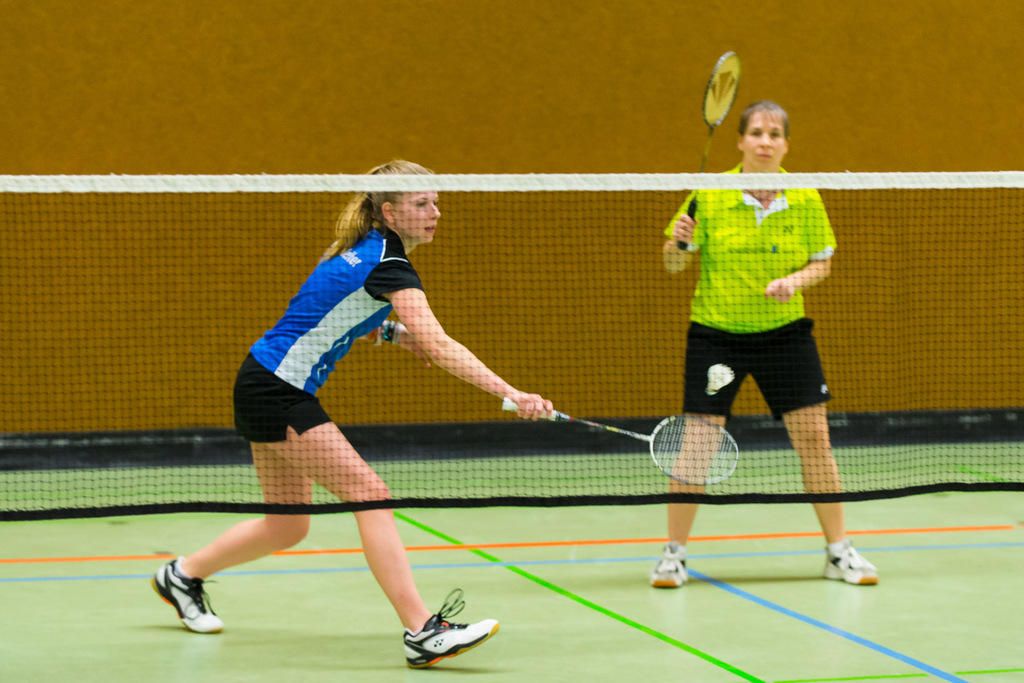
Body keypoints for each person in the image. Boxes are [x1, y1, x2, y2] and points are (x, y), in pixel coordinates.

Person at [151, 160, 554, 669]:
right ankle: (422, 632)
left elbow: (331, 309)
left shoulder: (356, 248)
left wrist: (391, 332)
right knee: (371, 494)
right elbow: (439, 344)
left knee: (287, 525)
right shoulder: (390, 264)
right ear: (390, 212)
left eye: (436, 202)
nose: (436, 213)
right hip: (278, 390)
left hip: (261, 379)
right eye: (422, 204)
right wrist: (513, 394)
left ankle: (182, 576)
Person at [650, 101, 877, 588]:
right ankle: (673, 555)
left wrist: (794, 281)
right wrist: (680, 242)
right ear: (740, 141)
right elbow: (673, 265)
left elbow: (822, 263)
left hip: (784, 335)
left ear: (786, 144)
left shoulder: (805, 195)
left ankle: (838, 552)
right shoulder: (709, 194)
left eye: (775, 134)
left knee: (815, 440)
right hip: (717, 336)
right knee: (698, 444)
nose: (765, 141)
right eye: (756, 132)